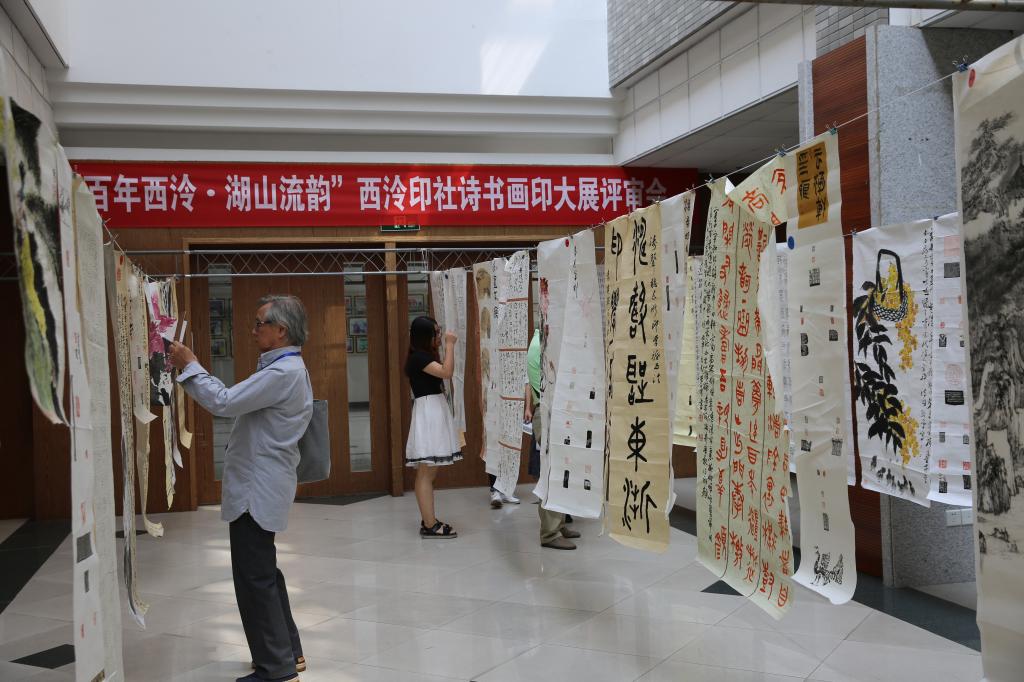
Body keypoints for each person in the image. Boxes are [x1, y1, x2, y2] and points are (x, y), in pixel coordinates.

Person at [169, 295, 312, 682]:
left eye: (259, 323)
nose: (253, 330)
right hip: (262, 484)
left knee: (254, 579)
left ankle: (276, 669)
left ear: (281, 330)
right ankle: (289, 653)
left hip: (256, 489)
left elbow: (224, 401)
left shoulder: (282, 372)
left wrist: (190, 365)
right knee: (264, 573)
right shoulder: (285, 367)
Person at [523, 327, 580, 550]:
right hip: (548, 412)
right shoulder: (541, 346)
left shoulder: (542, 341)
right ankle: (549, 533)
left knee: (561, 470)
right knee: (553, 471)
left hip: (551, 412)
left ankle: (559, 524)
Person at [405, 316, 462, 538]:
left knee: (428, 472)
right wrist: (450, 345)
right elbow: (446, 372)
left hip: (433, 410)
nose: (439, 336)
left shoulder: (422, 356)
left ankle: (429, 520)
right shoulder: (418, 358)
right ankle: (430, 524)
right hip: (429, 413)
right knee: (426, 472)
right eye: (436, 333)